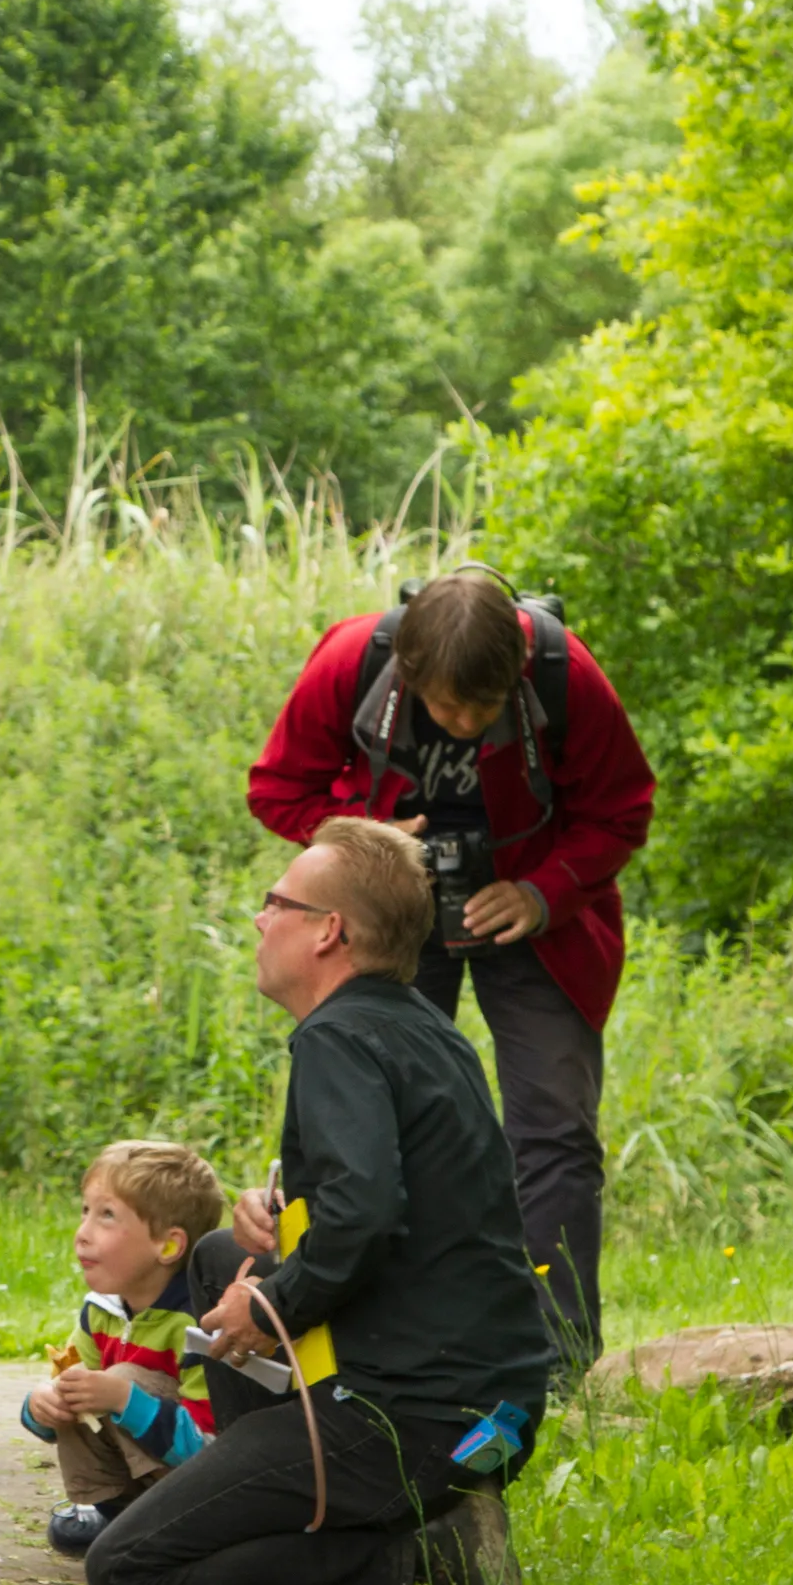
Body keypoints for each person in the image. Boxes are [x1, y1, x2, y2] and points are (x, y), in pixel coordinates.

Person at [84, 818, 556, 1585]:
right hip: (493, 1410)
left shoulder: (337, 1038)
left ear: (328, 932)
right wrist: (280, 1224)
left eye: (277, 903)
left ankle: (411, 1561)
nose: (260, 918)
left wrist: (271, 1305)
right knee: (221, 1255)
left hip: (406, 1421)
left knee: (124, 1570)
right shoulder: (424, 1031)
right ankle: (304, 1502)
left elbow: (366, 1213)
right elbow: (408, 1207)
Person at [246, 570, 653, 1366]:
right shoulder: (354, 661)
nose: (465, 723)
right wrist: (368, 838)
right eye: (446, 708)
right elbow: (277, 787)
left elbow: (621, 809)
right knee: (366, 1120)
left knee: (554, 1132)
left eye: (484, 708)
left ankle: (557, 1359)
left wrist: (542, 893)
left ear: (518, 674)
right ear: (407, 673)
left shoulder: (565, 673)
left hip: (531, 917)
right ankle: (361, 1340)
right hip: (390, 917)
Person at [16, 1141, 226, 1555]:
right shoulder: (102, 1310)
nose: (83, 1233)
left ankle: (167, 1526)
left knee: (121, 1379)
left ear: (168, 1245)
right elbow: (69, 1391)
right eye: (85, 1211)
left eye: (107, 1216)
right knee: (82, 1383)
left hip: (195, 1494)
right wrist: (41, 1406)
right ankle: (107, 1511)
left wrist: (125, 1399)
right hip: (130, 1490)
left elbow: (213, 1451)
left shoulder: (198, 1326)